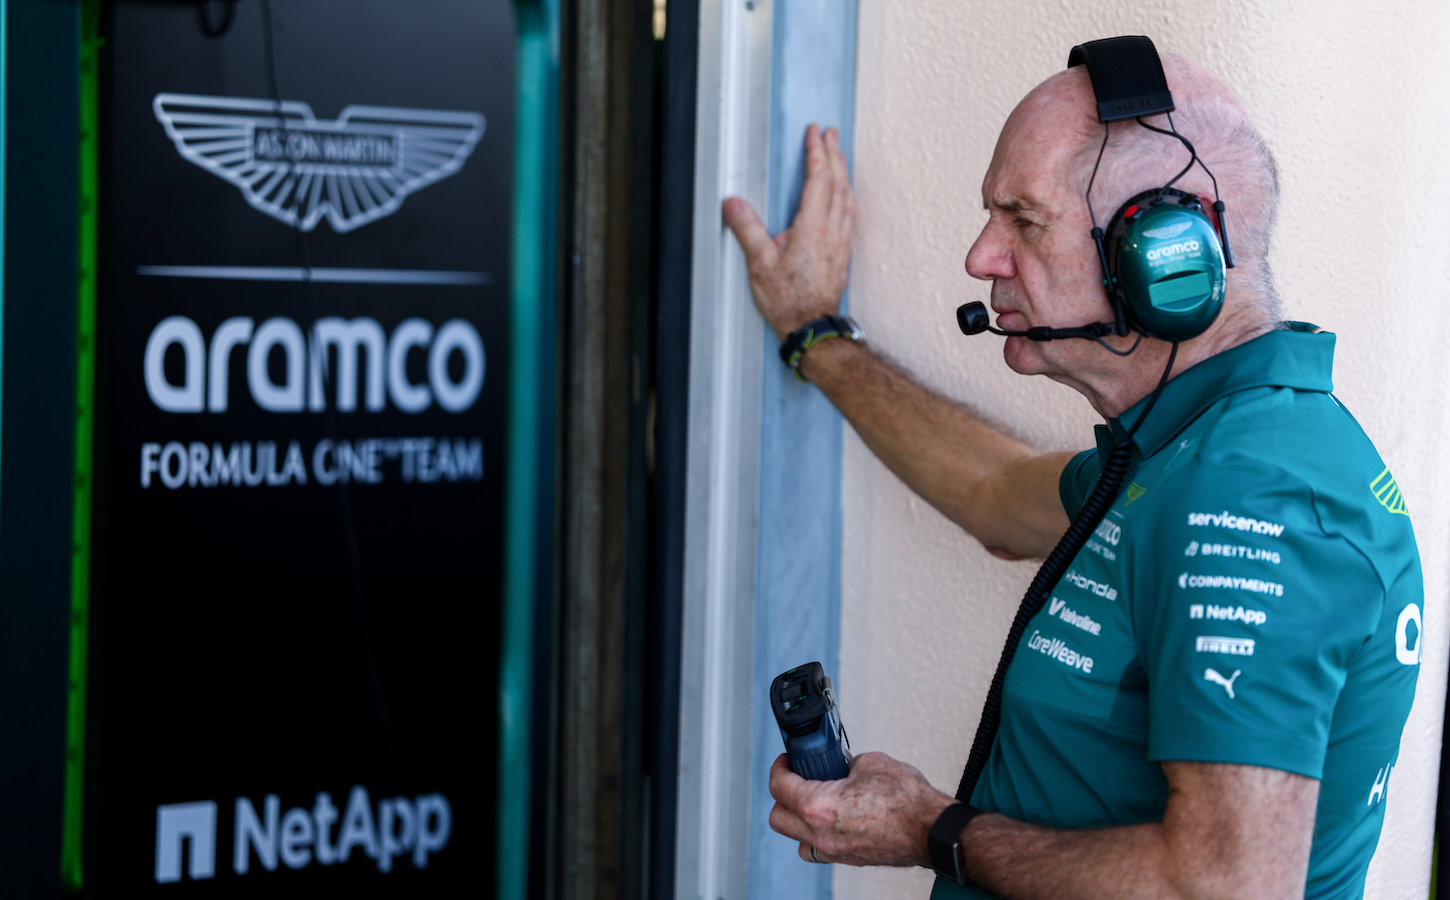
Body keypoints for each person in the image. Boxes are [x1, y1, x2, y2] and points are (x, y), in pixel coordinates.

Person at [723, 45, 1423, 900]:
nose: (982, 256)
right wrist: (814, 332)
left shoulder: (1250, 497)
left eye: (1023, 221)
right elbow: (993, 491)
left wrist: (929, 829)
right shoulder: (1187, 449)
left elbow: (1226, 886)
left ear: (1165, 250)